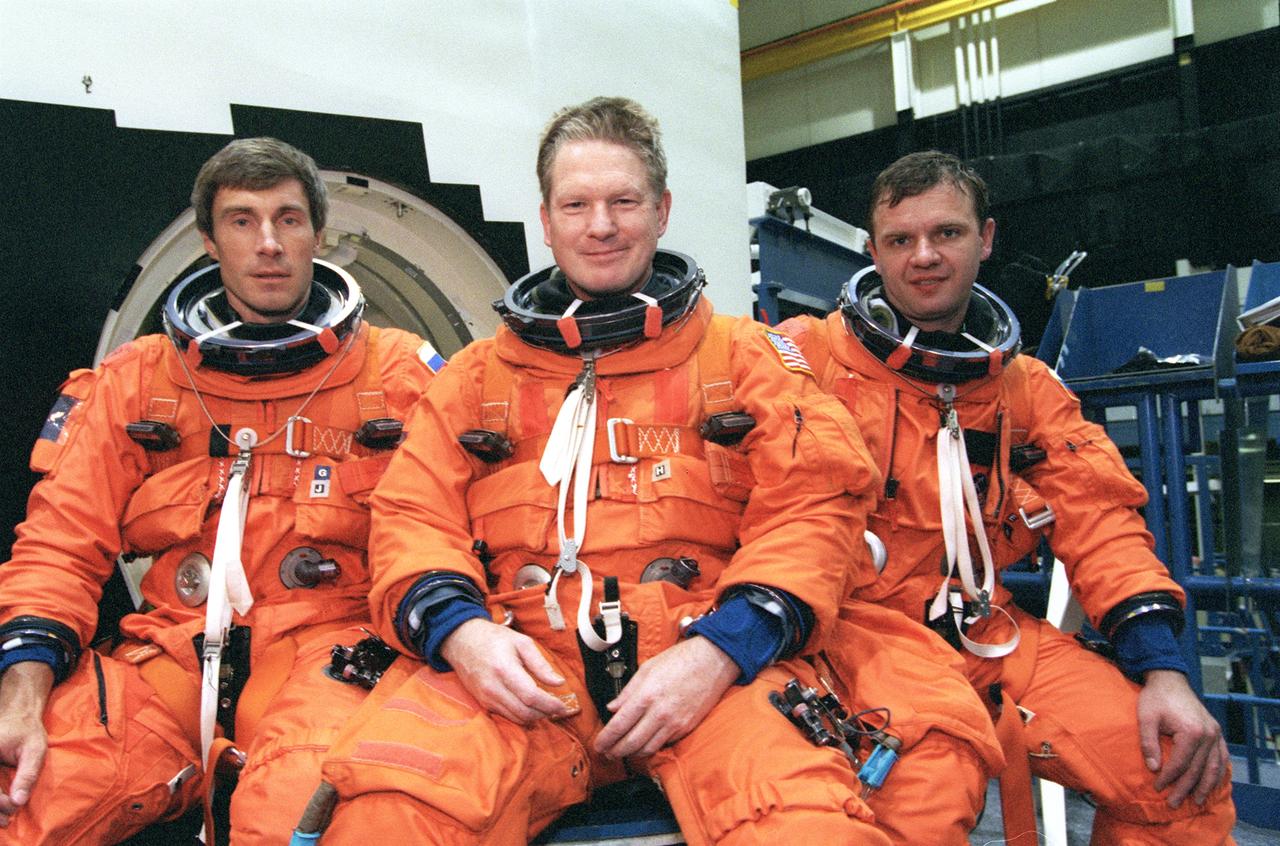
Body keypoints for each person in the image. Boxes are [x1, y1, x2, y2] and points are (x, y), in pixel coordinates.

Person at [311, 97, 1001, 846]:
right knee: (385, 818)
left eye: (623, 201)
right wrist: (461, 634)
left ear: (663, 211)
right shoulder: (476, 378)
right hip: (520, 666)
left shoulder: (746, 357)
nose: (600, 226)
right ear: (546, 220)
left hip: (711, 663)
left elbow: (818, 507)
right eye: (576, 204)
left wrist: (721, 650)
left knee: (805, 829)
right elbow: (412, 517)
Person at [779, 149, 1237, 844]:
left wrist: (1164, 671)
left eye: (948, 234)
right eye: (901, 240)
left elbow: (1101, 521)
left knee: (1179, 773)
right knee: (923, 805)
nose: (924, 257)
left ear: (985, 238)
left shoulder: (1024, 388)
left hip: (987, 631)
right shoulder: (803, 359)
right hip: (857, 638)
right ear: (871, 252)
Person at [0, 137, 437, 844]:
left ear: (318, 234)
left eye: (289, 220)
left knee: (299, 819)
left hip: (327, 652)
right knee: (26, 798)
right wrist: (20, 697)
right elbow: (59, 546)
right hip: (168, 658)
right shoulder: (137, 379)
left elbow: (452, 534)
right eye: (242, 221)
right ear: (208, 240)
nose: (268, 243)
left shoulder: (397, 374)